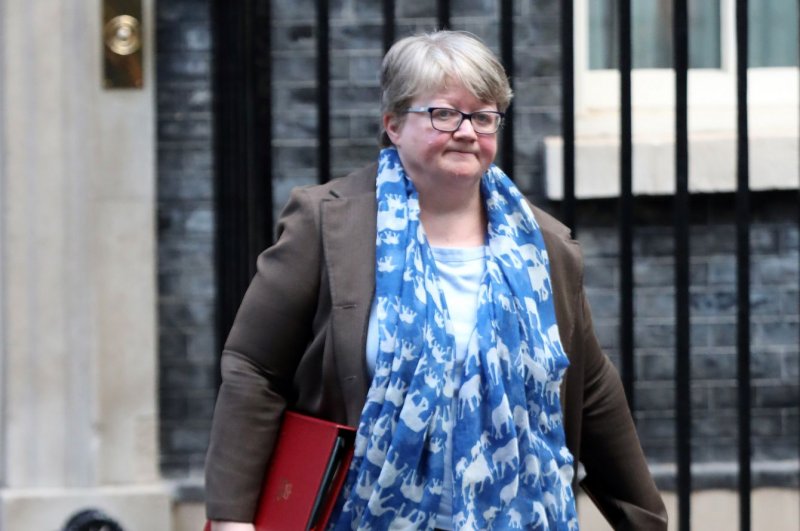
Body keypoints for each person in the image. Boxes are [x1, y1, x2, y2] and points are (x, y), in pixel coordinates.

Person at [205, 30, 667, 531]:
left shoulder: (545, 248)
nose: (467, 131)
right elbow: (255, 367)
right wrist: (232, 518)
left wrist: (645, 520)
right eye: (444, 114)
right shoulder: (326, 225)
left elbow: (591, 387)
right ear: (394, 124)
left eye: (484, 116)